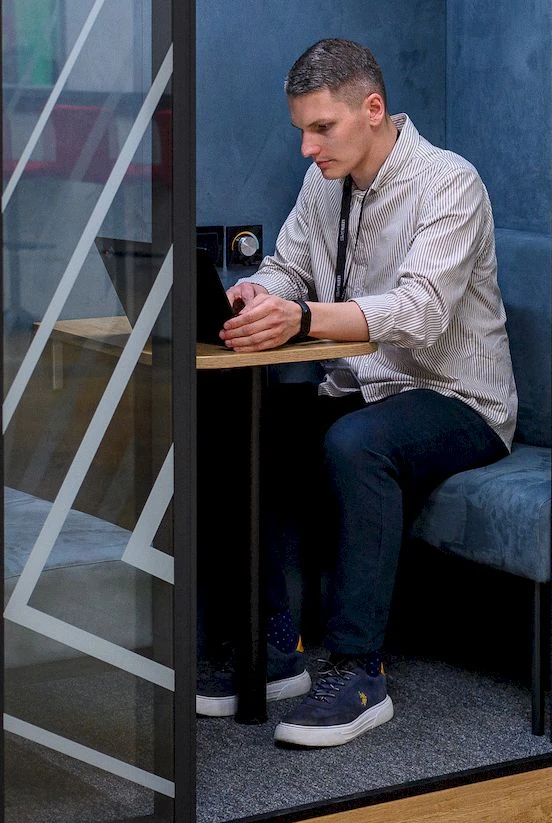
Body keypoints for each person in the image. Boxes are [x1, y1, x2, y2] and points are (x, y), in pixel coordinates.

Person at [199, 38, 516, 749]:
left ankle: (358, 672)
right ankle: (274, 646)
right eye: (302, 130)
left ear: (372, 109)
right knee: (239, 424)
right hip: (361, 386)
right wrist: (258, 294)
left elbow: (419, 313)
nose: (307, 148)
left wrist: (301, 319)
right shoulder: (324, 183)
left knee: (356, 444)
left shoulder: (449, 183)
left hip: (457, 397)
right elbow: (289, 267)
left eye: (322, 128)